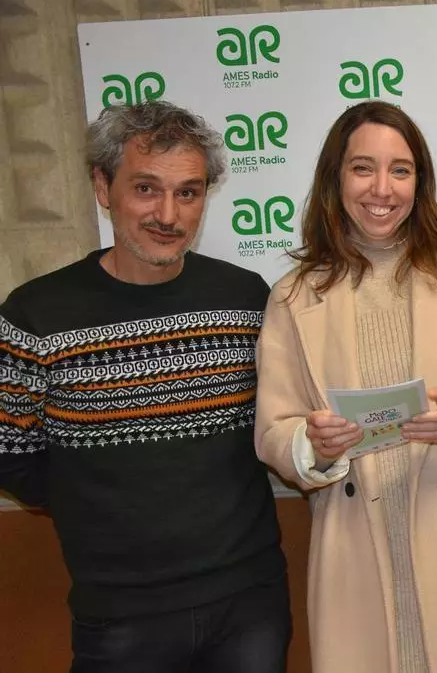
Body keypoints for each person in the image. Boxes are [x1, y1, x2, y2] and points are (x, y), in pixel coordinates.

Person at [254, 100, 437, 673]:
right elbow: (273, 431)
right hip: (355, 549)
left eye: (400, 170)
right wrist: (314, 443)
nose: (382, 189)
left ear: (421, 180)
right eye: (363, 168)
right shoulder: (293, 296)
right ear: (335, 178)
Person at [0, 101, 289, 672]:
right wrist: (99, 502)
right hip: (120, 615)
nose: (168, 214)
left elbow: (276, 421)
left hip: (249, 603)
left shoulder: (245, 298)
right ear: (102, 187)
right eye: (146, 188)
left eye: (188, 193)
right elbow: (10, 455)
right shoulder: (36, 314)